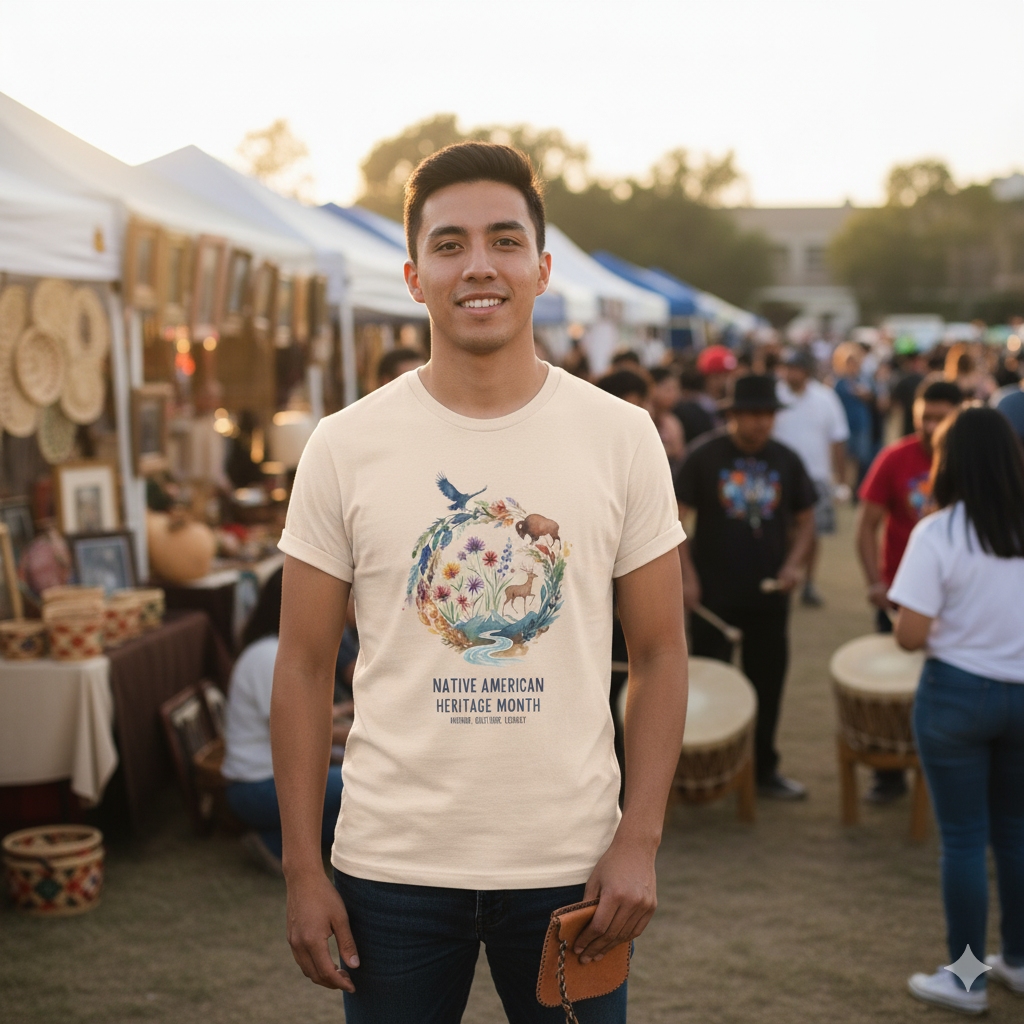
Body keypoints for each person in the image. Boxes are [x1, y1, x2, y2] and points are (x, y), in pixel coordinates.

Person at [271, 142, 688, 1023]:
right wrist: (303, 869)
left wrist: (638, 840)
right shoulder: (344, 446)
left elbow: (658, 651)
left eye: (503, 240)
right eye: (449, 244)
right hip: (390, 869)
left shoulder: (621, 436)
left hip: (570, 869)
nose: (479, 265)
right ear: (416, 276)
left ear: (541, 268)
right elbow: (304, 668)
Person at [889, 407, 1024, 1014]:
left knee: (965, 842)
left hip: (955, 698)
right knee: (1016, 835)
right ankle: (1018, 961)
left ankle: (967, 980)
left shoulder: (938, 533)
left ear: (951, 461)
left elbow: (911, 636)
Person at [675, 374, 816, 800]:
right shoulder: (704, 457)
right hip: (713, 596)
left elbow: (806, 522)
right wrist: (687, 576)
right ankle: (703, 772)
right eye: (753, 413)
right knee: (708, 687)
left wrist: (794, 566)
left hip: (769, 596)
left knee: (767, 685)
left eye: (768, 414)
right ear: (732, 414)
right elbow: (674, 522)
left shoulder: (787, 460)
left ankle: (764, 771)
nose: (762, 422)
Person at [855, 377, 962, 804]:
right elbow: (866, 525)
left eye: (941, 419)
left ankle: (941, 778)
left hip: (954, 602)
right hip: (900, 597)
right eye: (924, 418)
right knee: (891, 691)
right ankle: (889, 776)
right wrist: (875, 582)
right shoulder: (895, 457)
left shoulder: (970, 465)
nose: (931, 427)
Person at [222, 568, 350, 874]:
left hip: (269, 781)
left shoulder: (275, 651)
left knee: (351, 822)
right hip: (256, 788)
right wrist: (361, 736)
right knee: (359, 779)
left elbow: (302, 715)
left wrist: (346, 710)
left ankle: (273, 840)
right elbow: (300, 732)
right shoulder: (268, 657)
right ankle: (271, 843)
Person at [772, 348, 849, 607]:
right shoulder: (775, 395)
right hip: (780, 476)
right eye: (787, 367)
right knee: (784, 531)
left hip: (816, 477)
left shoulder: (825, 398)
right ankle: (786, 575)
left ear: (806, 371)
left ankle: (809, 583)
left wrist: (841, 480)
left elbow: (838, 440)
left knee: (812, 532)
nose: (791, 373)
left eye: (796, 368)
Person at [648, 367, 686, 467]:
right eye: (669, 389)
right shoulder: (643, 419)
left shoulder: (671, 421)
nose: (676, 394)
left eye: (676, 389)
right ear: (652, 388)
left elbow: (680, 455)